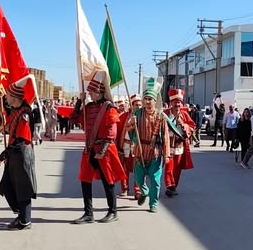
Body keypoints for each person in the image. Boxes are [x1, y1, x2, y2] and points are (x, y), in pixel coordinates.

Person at [71, 71, 127, 224]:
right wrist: (79, 102)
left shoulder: (110, 108)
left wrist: (101, 152)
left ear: (100, 92)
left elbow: (111, 134)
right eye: (89, 92)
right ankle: (88, 213)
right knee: (85, 180)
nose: (90, 94)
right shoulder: (88, 107)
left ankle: (113, 211)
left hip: (104, 150)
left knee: (107, 181)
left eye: (92, 91)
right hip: (89, 149)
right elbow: (74, 119)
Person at [0, 77, 37, 230]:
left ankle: (25, 220)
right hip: (15, 156)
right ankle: (21, 216)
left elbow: (20, 141)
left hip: (21, 155)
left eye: (9, 96)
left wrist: (2, 156)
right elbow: (7, 107)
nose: (7, 98)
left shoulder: (24, 115)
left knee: (22, 188)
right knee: (9, 187)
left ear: (15, 97)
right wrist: (1, 92)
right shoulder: (17, 110)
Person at [127, 80, 170, 212]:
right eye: (145, 99)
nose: (147, 102)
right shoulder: (137, 114)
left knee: (155, 181)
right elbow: (129, 130)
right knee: (138, 179)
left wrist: (166, 154)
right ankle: (144, 191)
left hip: (155, 153)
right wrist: (131, 123)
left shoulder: (161, 116)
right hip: (140, 151)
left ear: (154, 100)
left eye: (150, 99)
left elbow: (166, 137)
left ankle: (153, 204)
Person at [164, 88, 196, 196]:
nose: (177, 104)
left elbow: (192, 126)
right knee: (169, 167)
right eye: (175, 102)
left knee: (177, 169)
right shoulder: (165, 114)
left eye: (179, 102)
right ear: (171, 103)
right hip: (167, 145)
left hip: (179, 145)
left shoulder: (184, 115)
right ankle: (169, 185)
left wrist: (183, 124)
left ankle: (173, 187)